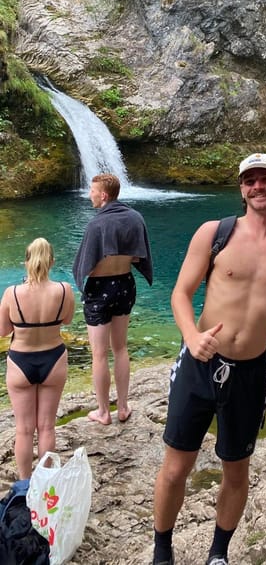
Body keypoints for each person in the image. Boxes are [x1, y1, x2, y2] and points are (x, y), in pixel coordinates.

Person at [152, 152, 266, 565]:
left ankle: (218, 553)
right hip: (199, 364)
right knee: (176, 466)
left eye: (265, 179)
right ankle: (161, 551)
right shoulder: (216, 232)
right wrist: (191, 336)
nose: (257, 186)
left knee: (236, 468)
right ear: (241, 188)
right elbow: (181, 293)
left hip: (250, 371)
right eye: (249, 180)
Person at [73, 173, 153, 425]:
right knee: (120, 348)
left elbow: (86, 266)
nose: (90, 195)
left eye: (92, 191)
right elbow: (140, 257)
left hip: (100, 289)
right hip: (125, 284)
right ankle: (123, 407)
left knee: (99, 354)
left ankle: (103, 412)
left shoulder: (97, 225)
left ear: (104, 195)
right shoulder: (135, 217)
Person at [0, 238, 75, 480]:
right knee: (47, 427)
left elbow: (3, 330)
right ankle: (46, 483)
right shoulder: (64, 290)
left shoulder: (12, 293)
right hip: (53, 359)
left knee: (23, 430)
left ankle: (24, 484)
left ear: (26, 262)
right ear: (52, 262)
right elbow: (67, 320)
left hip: (21, 361)